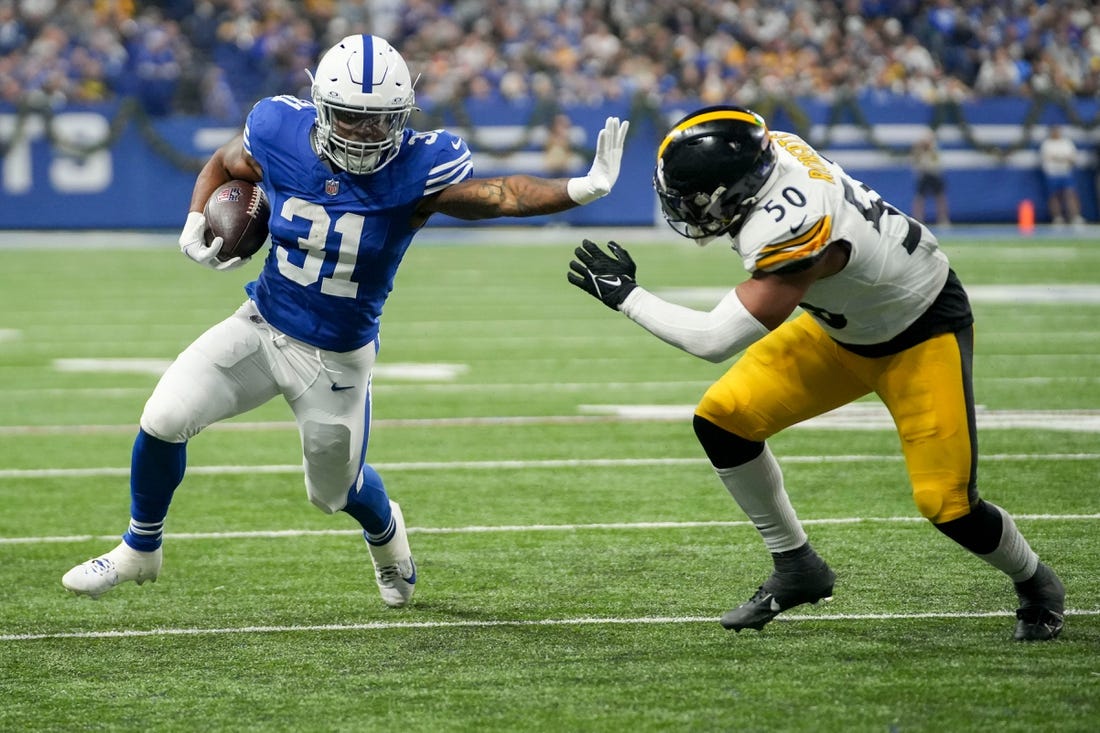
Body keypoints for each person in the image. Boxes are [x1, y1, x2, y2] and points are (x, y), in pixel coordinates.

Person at [62, 34, 629, 607]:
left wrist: (580, 189)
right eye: (351, 118)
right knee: (163, 418)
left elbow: (503, 193)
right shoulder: (280, 129)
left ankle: (389, 541)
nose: (363, 133)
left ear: (403, 117)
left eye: (379, 121)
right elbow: (226, 162)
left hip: (335, 359)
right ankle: (140, 548)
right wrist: (193, 219)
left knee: (333, 491)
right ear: (321, 108)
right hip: (261, 323)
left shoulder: (419, 168)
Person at [567, 105, 1064, 641]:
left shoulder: (791, 225)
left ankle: (1037, 583)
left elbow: (713, 340)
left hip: (918, 331)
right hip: (843, 326)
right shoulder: (770, 150)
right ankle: (797, 566)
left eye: (693, 199)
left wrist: (627, 297)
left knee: (947, 504)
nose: (686, 210)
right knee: (724, 419)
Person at [1038, 124, 1084, 226]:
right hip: (1052, 174)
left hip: (1065, 173)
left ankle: (1075, 216)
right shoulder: (1047, 144)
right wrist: (1062, 158)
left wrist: (1057, 158)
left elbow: (1072, 158)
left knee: (1070, 194)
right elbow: (1046, 158)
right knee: (1053, 196)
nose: (1056, 133)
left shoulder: (1066, 143)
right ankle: (1057, 217)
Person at [910, 128, 949, 227]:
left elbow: (937, 162)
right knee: (920, 198)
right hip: (924, 174)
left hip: (934, 173)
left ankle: (943, 219)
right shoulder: (919, 151)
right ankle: (918, 219)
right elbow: (915, 162)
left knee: (940, 197)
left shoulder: (934, 149)